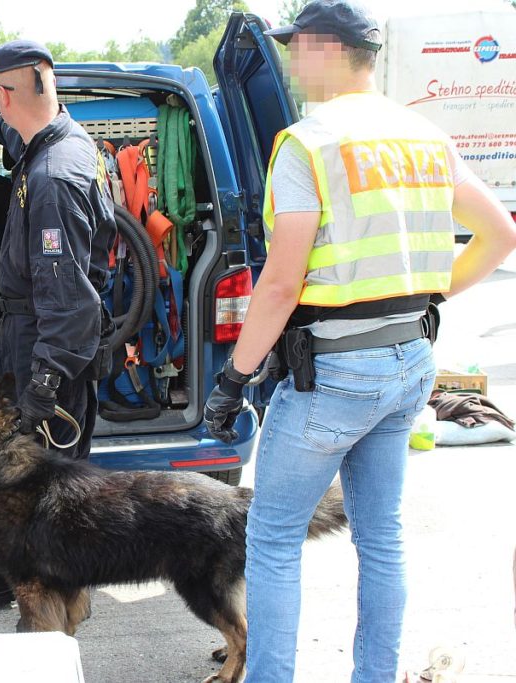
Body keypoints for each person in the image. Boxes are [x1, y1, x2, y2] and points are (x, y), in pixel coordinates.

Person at [202, 1, 516, 680]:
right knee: (382, 539)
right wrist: (428, 292)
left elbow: (281, 283)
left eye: (295, 46)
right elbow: (500, 235)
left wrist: (233, 378)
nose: (288, 60)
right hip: (409, 365)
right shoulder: (425, 137)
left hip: (333, 375)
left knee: (275, 537)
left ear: (324, 48)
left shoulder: (308, 143)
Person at [0, 40, 116, 616]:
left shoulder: (54, 174)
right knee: (37, 482)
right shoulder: (55, 140)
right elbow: (14, 128)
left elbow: (67, 297)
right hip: (31, 331)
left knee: (24, 479)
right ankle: (32, 582)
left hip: (45, 339)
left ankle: (30, 588)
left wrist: (46, 387)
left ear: (6, 93)